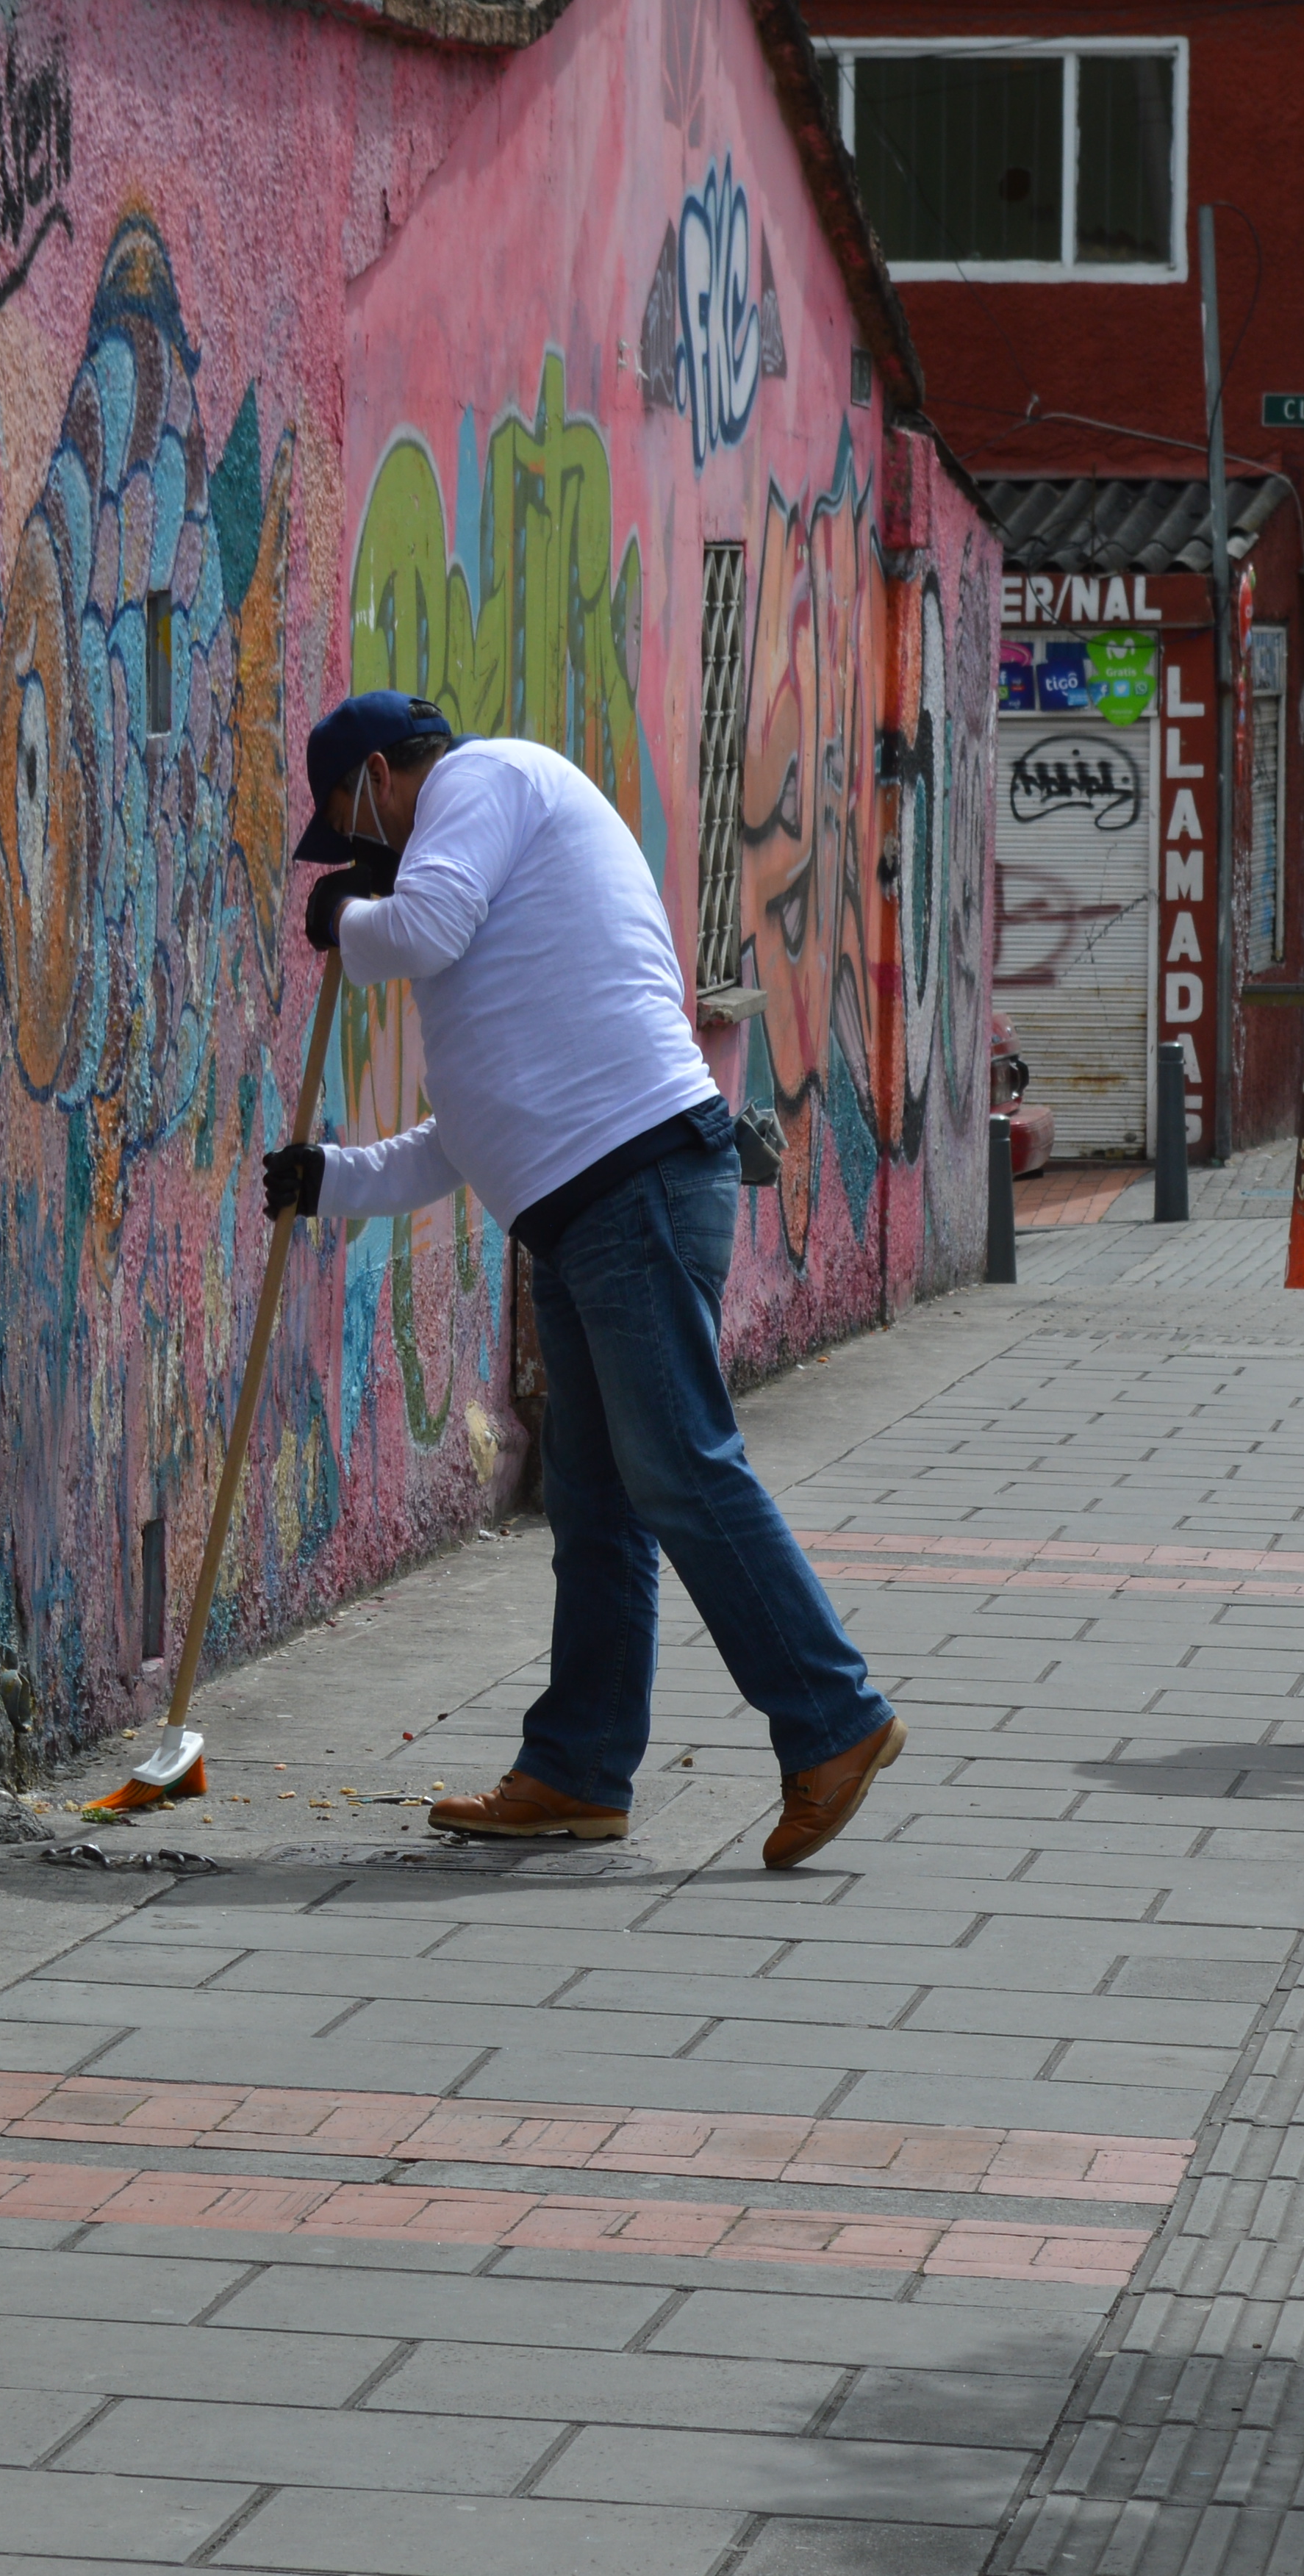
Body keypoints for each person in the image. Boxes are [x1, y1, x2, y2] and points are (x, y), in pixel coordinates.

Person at [265, 689, 906, 1865]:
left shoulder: (486, 783)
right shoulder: (486, 874)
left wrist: (349, 920)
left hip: (636, 1185)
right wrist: (330, 1178)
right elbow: (466, 1133)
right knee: (601, 1505)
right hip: (580, 1207)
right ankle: (577, 1769)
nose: (368, 855)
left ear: (376, 776)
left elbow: (425, 924)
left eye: (359, 831)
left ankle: (833, 1718)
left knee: (680, 1469)